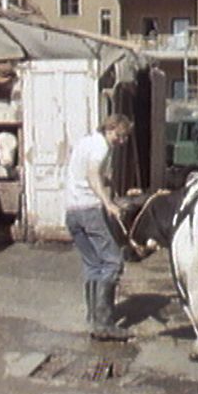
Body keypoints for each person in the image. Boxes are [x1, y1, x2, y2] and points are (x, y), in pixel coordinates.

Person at [64, 114, 133, 341]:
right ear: (111, 129)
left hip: (72, 211)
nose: (121, 142)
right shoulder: (101, 147)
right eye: (120, 136)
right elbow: (93, 175)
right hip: (89, 211)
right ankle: (104, 324)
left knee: (93, 263)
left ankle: (93, 318)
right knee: (113, 262)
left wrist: (108, 186)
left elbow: (87, 175)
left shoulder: (85, 141)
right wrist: (109, 204)